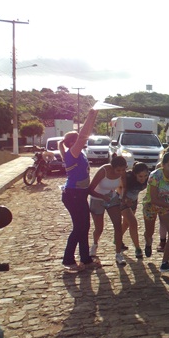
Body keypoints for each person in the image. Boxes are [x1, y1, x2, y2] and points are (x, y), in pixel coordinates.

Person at [59, 109, 101, 273]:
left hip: (79, 194)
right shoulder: (72, 153)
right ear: (71, 143)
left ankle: (85, 259)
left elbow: (85, 135)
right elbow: (83, 136)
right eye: (77, 140)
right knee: (79, 228)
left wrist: (94, 117)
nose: (82, 141)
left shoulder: (79, 152)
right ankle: (68, 259)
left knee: (84, 226)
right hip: (73, 195)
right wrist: (90, 116)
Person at [88, 156, 128, 265]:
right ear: (112, 167)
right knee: (99, 228)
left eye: (123, 169)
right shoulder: (103, 171)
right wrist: (102, 197)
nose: (121, 172)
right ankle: (95, 244)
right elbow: (90, 189)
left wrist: (123, 198)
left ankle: (118, 253)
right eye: (118, 170)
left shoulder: (122, 173)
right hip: (97, 198)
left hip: (111, 197)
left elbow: (124, 186)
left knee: (118, 225)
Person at [118, 161, 149, 259]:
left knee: (126, 223)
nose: (143, 179)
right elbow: (118, 188)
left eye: (145, 176)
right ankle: (137, 248)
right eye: (140, 176)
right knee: (133, 223)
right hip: (122, 200)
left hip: (133, 201)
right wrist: (125, 199)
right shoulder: (127, 177)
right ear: (135, 174)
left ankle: (117, 239)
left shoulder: (148, 178)